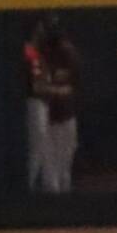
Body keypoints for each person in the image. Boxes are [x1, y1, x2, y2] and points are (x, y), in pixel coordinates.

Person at [24, 14, 81, 193]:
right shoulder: (35, 52)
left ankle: (62, 198)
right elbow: (37, 87)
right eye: (45, 26)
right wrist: (55, 90)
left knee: (65, 167)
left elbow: (74, 84)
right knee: (50, 175)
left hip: (65, 113)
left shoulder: (68, 52)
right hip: (47, 113)